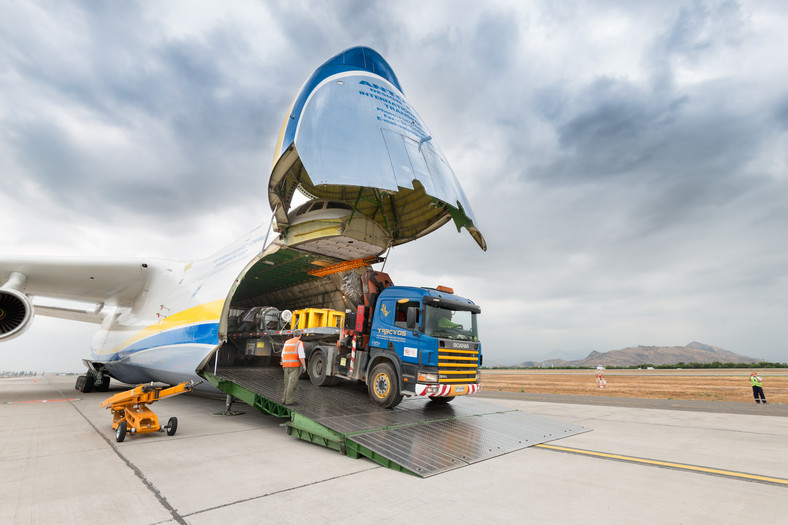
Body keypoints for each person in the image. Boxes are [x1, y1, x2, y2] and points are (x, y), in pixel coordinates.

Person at [281, 329, 306, 406]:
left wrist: (283, 363)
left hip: (286, 365)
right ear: (300, 335)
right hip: (294, 366)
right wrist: (304, 365)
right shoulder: (299, 343)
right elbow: (301, 356)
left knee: (287, 383)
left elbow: (283, 354)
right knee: (292, 384)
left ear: (293, 335)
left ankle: (284, 399)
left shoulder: (287, 342)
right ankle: (289, 401)